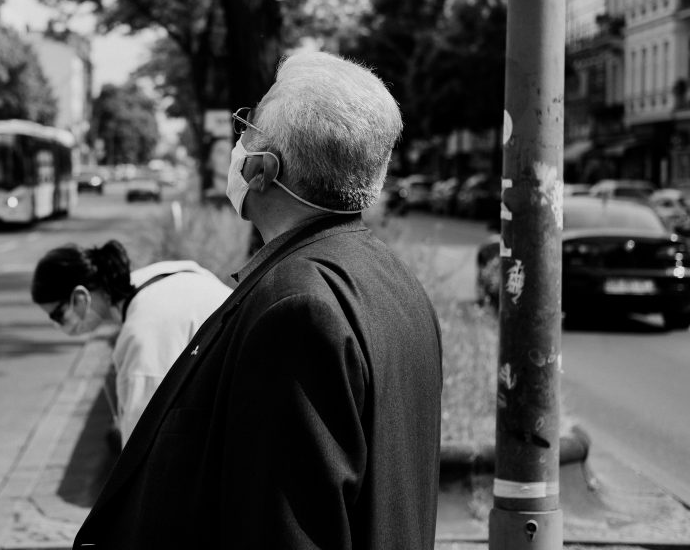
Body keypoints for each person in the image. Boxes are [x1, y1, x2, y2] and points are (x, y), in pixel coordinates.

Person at [73, 51, 443, 550]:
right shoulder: (394, 279)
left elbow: (282, 529)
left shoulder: (296, 310)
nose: (237, 140)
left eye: (248, 126)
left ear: (264, 170)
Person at [30, 239, 232, 445]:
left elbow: (144, 440)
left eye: (57, 316)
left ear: (80, 297)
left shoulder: (143, 332)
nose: (58, 326)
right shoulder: (164, 275)